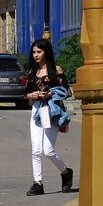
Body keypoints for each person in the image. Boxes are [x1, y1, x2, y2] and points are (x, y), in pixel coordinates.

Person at [24, 38, 73, 196]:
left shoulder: (55, 70)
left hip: (52, 111)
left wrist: (50, 93)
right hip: (37, 111)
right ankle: (37, 183)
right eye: (34, 52)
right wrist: (32, 94)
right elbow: (25, 93)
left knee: (48, 150)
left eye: (39, 52)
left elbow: (67, 91)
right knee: (36, 150)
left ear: (46, 52)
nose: (36, 55)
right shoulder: (32, 72)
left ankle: (65, 172)